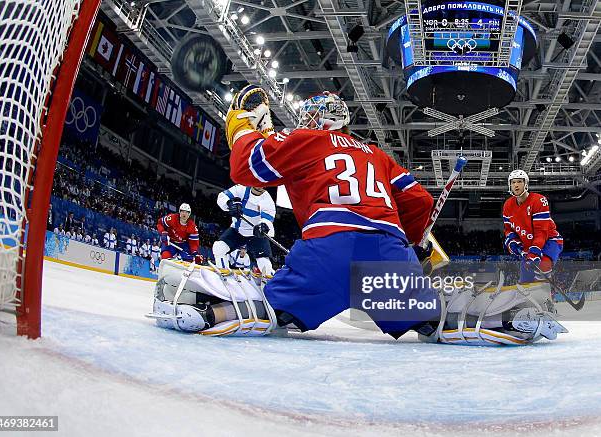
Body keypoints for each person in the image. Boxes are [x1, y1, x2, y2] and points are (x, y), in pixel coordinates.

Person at [151, 86, 567, 345]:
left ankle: (208, 310)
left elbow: (248, 168)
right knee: (432, 318)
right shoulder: (379, 155)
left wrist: (243, 128)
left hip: (328, 250)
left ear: (317, 120)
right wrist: (414, 241)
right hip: (386, 256)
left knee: (273, 308)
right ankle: (511, 317)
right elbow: (420, 202)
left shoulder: (304, 140)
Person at [503, 170, 563, 283]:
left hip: (549, 241)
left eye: (519, 181)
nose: (516, 185)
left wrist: (535, 251)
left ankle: (546, 294)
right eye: (513, 182)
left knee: (543, 265)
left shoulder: (539, 200)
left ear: (526, 184)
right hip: (528, 247)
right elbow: (508, 230)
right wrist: (513, 242)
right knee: (525, 282)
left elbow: (541, 232)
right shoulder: (507, 205)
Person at [212, 185, 275, 274]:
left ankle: (270, 280)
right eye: (257, 182)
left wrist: (263, 226)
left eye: (262, 184)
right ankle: (223, 273)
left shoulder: (267, 200)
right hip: (238, 231)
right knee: (219, 247)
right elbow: (222, 196)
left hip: (255, 234)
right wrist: (229, 204)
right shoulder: (240, 188)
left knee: (263, 261)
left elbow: (268, 219)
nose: (259, 186)